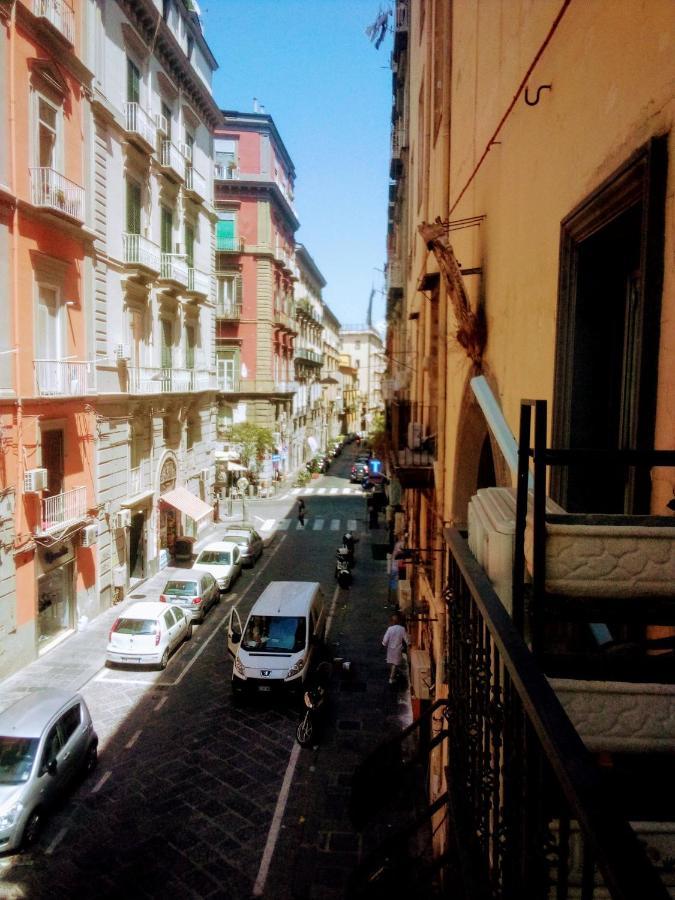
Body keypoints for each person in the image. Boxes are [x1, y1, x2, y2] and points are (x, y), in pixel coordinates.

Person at [382, 612, 408, 685]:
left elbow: (385, 639)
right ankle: (391, 678)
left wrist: (383, 644)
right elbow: (406, 638)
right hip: (398, 649)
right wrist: (409, 643)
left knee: (392, 662)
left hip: (390, 648)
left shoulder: (390, 629)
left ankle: (392, 675)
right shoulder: (402, 629)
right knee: (395, 664)